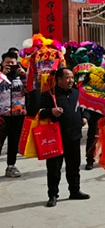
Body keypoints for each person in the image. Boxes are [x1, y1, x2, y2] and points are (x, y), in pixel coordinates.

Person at [39, 68, 90, 207]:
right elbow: (39, 112)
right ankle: (53, 195)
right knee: (54, 168)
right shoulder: (49, 95)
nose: (71, 80)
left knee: (74, 166)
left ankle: (74, 190)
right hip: (56, 137)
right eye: (67, 78)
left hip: (74, 136)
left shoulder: (76, 93)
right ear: (59, 79)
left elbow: (84, 108)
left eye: (72, 77)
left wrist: (84, 117)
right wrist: (51, 111)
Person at [1, 51, 27, 178]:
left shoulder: (21, 76)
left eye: (13, 63)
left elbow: (32, 89)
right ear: (2, 63)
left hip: (18, 114)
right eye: (7, 63)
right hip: (2, 115)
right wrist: (2, 76)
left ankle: (11, 166)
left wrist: (24, 76)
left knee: (14, 141)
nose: (10, 65)